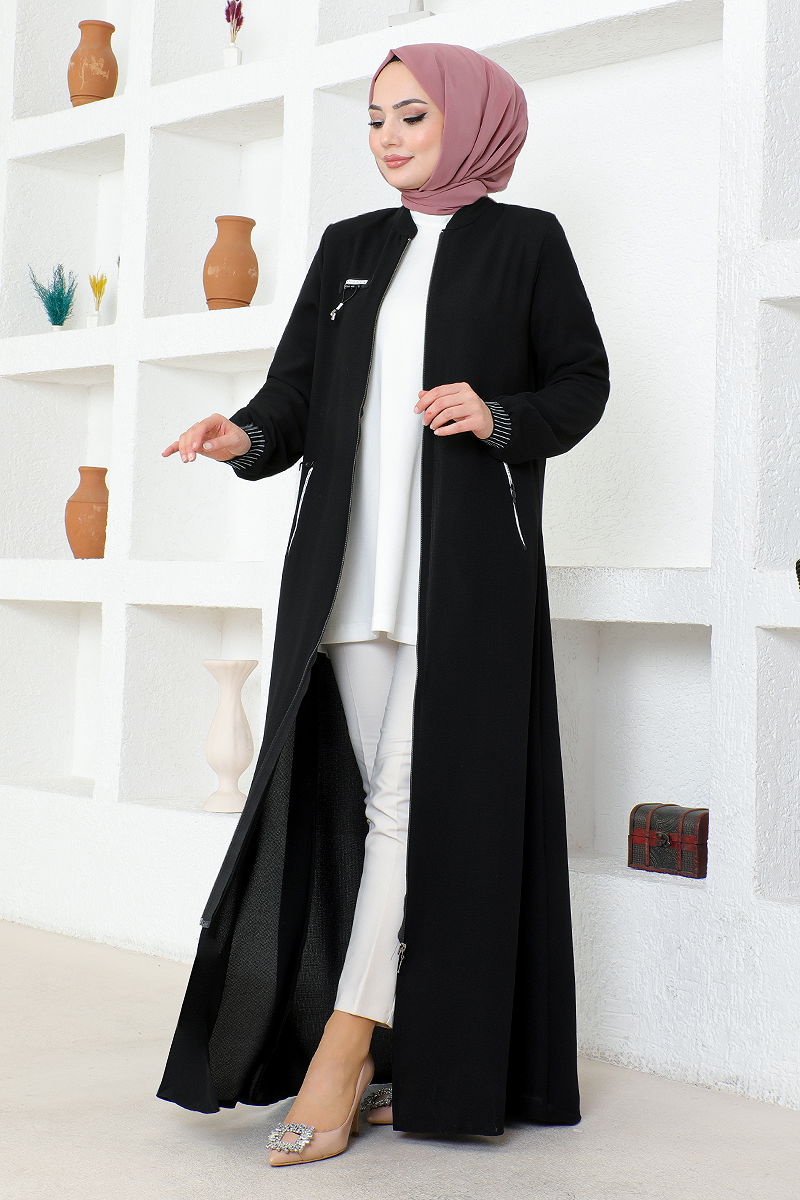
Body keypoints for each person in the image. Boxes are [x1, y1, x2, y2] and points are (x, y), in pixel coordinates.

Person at [158, 42, 610, 1165]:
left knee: (410, 803)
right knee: (377, 809)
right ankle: (410, 1053)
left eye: (411, 114)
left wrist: (497, 416)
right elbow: (296, 393)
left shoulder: (526, 241)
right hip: (349, 574)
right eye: (373, 120)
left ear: (470, 118)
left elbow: (581, 382)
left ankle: (345, 1047)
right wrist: (242, 436)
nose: (389, 137)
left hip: (466, 578)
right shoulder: (350, 247)